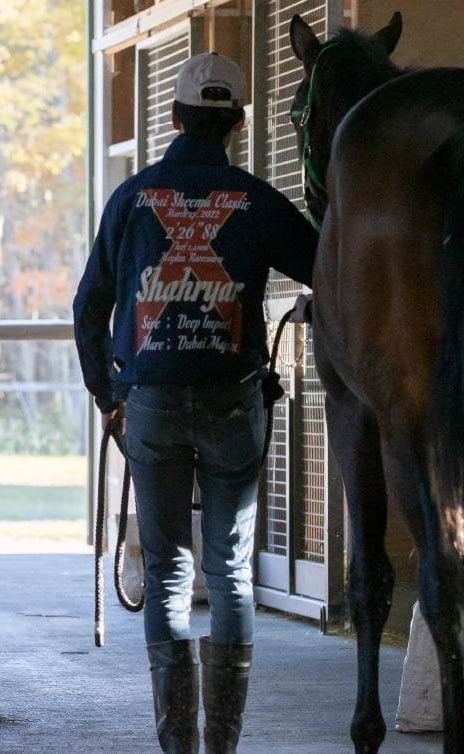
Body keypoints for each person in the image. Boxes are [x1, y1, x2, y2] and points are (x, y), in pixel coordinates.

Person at [73, 53, 317, 753]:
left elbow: (89, 306)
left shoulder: (131, 197)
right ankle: (222, 748)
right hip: (232, 402)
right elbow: (327, 267)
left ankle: (176, 745)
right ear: (238, 122)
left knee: (168, 566)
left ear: (174, 117)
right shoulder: (258, 200)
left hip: (146, 399)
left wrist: (106, 396)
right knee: (228, 570)